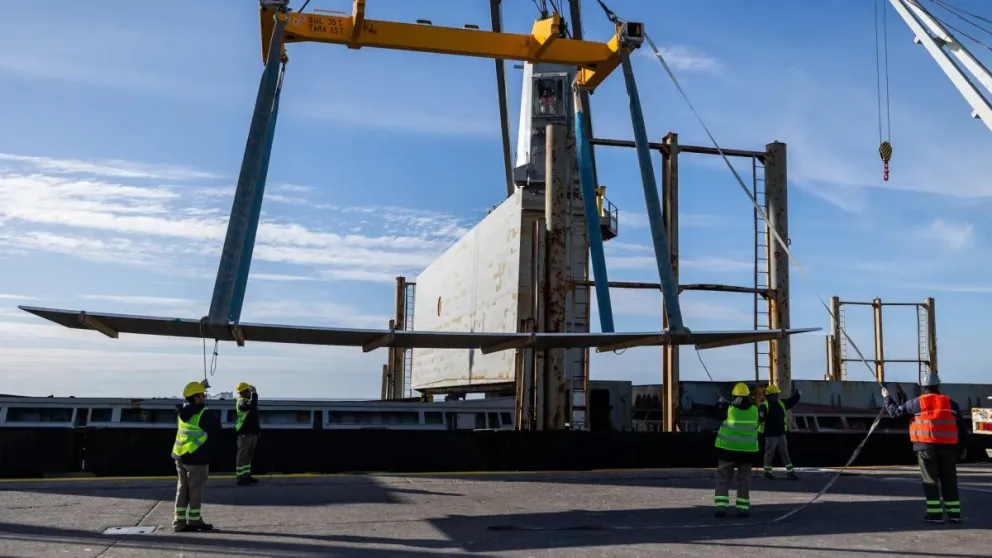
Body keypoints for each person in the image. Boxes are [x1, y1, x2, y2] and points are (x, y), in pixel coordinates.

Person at [882, 371, 965, 524]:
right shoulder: (951, 404)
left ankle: (935, 515)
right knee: (949, 482)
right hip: (948, 449)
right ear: (938, 385)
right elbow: (962, 428)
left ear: (923, 387)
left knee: (930, 482)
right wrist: (962, 448)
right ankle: (954, 514)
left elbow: (895, 413)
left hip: (926, 449)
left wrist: (887, 398)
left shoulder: (916, 403)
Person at [171, 380, 220, 532]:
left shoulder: (181, 411)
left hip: (180, 455)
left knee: (182, 489)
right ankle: (195, 521)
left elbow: (189, 402)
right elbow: (217, 429)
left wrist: (199, 387)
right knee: (195, 490)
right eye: (202, 395)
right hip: (197, 457)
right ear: (197, 397)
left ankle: (179, 522)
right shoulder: (204, 414)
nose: (205, 397)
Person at [712, 382, 760, 518]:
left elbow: (716, 413)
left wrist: (721, 403)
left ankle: (721, 507)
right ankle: (742, 508)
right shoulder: (754, 410)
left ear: (735, 395)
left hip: (728, 450)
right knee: (744, 480)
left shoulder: (728, 409)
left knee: (723, 479)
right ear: (748, 396)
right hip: (747, 452)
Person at [758, 384, 802, 480]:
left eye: (777, 394)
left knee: (784, 452)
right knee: (769, 453)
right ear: (770, 395)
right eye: (776, 394)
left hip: (781, 433)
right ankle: (767, 472)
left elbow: (790, 402)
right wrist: (761, 417)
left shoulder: (780, 403)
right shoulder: (764, 406)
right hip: (770, 434)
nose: (777, 396)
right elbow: (760, 417)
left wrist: (797, 396)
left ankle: (790, 472)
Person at [234, 381, 260, 486]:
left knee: (248, 455)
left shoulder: (247, 401)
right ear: (244, 392)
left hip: (252, 433)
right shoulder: (241, 402)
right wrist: (255, 394)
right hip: (245, 433)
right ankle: (240, 477)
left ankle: (247, 475)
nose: (250, 392)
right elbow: (252, 406)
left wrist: (257, 431)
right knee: (243, 455)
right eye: (249, 391)